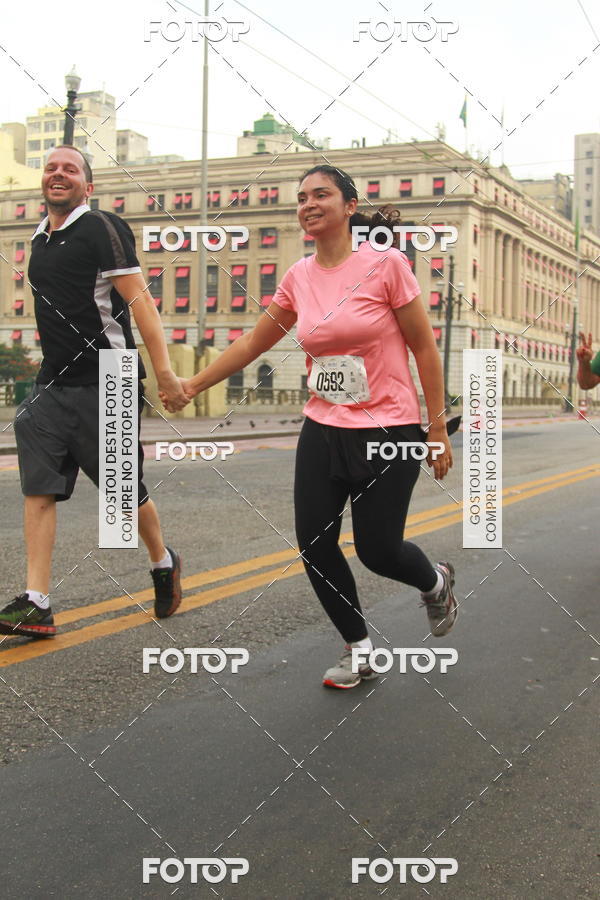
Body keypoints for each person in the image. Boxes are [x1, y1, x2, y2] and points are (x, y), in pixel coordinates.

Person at [169, 164, 457, 689]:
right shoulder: (299, 276)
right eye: (301, 197)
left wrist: (435, 428)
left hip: (388, 429)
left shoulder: (387, 264)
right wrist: (193, 385)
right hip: (323, 427)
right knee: (315, 542)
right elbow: (252, 344)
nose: (308, 204)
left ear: (349, 206)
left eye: (321, 194)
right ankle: (360, 649)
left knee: (378, 551)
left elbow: (424, 348)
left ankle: (434, 581)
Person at [0, 145, 188, 638]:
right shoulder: (39, 239)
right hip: (52, 383)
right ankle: (37, 601)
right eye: (51, 168)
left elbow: (140, 303)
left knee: (121, 497)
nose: (58, 174)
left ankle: (162, 560)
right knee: (39, 486)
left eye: (71, 169)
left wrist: (165, 373)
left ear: (88, 186)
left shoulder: (102, 227)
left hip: (111, 376)